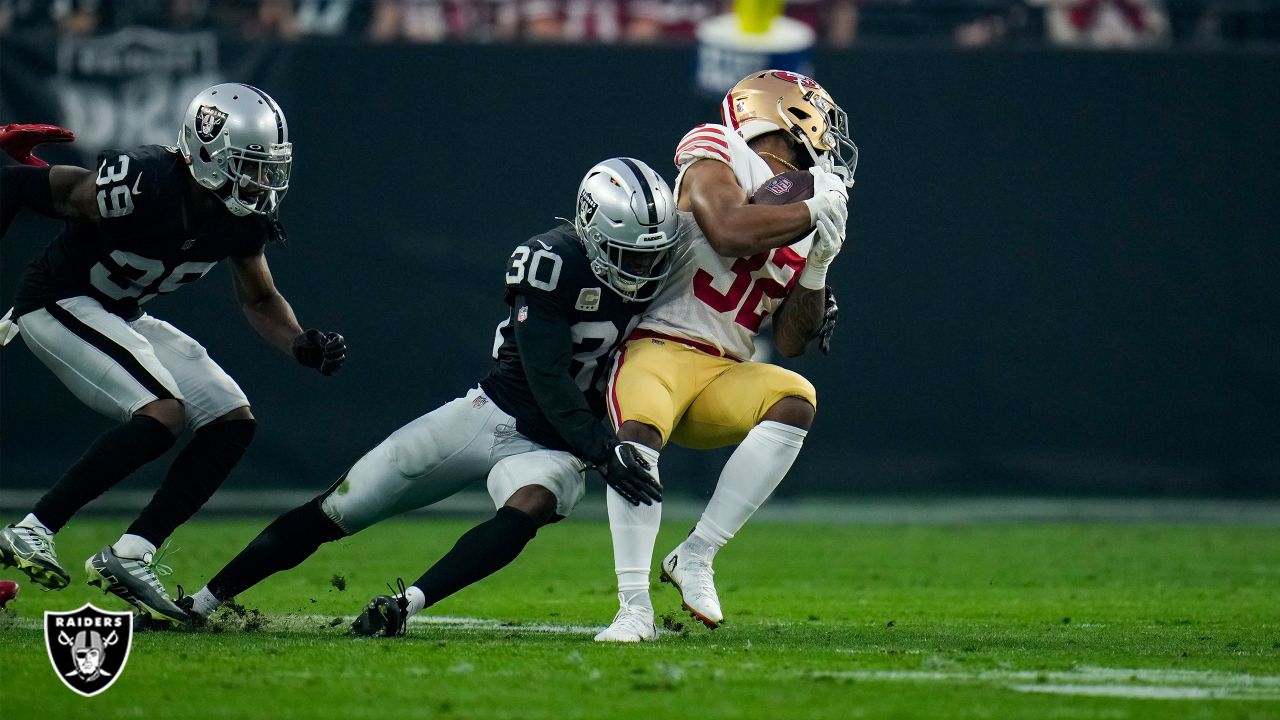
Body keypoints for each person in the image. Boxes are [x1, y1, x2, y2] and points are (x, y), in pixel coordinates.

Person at [178, 158, 674, 636]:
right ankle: (199, 603)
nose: (644, 267)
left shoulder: (669, 268)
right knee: (340, 507)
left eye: (654, 254)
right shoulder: (551, 261)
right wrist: (602, 450)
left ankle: (403, 605)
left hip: (557, 445)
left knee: (532, 504)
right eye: (629, 252)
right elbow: (546, 376)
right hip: (494, 411)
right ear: (590, 230)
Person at [0, 83, 348, 625]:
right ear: (207, 152)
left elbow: (259, 297)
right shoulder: (145, 183)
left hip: (119, 312)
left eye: (268, 167)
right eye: (248, 164)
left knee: (231, 419)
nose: (261, 181)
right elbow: (20, 186)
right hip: (57, 300)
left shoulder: (242, 216)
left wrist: (299, 342)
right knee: (163, 411)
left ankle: (132, 554)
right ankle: (33, 528)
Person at [594, 69, 854, 642]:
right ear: (781, 111)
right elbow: (731, 229)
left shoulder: (803, 202)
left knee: (795, 398)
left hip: (723, 369)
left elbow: (789, 341)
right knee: (637, 435)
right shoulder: (717, 147)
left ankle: (697, 554)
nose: (828, 131)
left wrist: (817, 267)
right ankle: (633, 606)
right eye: (817, 112)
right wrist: (810, 215)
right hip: (658, 347)